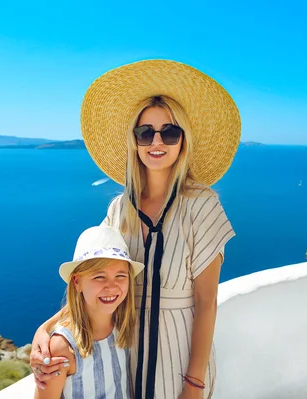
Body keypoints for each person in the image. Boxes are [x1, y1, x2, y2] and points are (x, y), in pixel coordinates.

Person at [30, 59, 240, 399]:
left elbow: (206, 301)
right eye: (146, 132)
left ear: (182, 140)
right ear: (135, 140)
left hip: (178, 355)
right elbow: (92, 275)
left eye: (169, 132)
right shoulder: (119, 209)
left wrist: (195, 383)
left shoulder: (202, 205)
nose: (157, 141)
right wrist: (46, 328)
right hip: (124, 350)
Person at [34, 225, 144, 399]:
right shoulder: (62, 348)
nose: (111, 286)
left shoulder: (124, 328)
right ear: (77, 282)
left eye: (121, 276)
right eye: (99, 277)